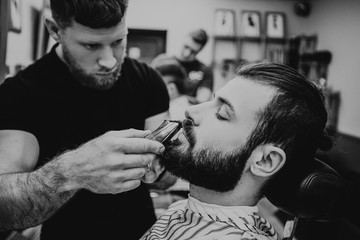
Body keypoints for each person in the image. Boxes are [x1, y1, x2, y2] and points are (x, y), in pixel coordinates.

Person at [0, 0, 171, 239]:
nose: (110, 61)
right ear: (54, 30)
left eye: (118, 41)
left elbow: (166, 179)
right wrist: (71, 172)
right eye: (91, 45)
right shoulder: (19, 94)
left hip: (141, 232)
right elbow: (4, 210)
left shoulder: (148, 81)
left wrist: (165, 164)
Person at [140, 60, 333, 240]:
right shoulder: (180, 209)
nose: (192, 111)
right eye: (212, 100)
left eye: (222, 114)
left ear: (265, 161)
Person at [151, 28, 214, 104]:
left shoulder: (205, 70)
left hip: (184, 112)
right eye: (186, 47)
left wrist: (178, 97)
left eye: (193, 51)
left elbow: (202, 101)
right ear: (184, 40)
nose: (187, 53)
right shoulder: (161, 61)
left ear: (200, 50)